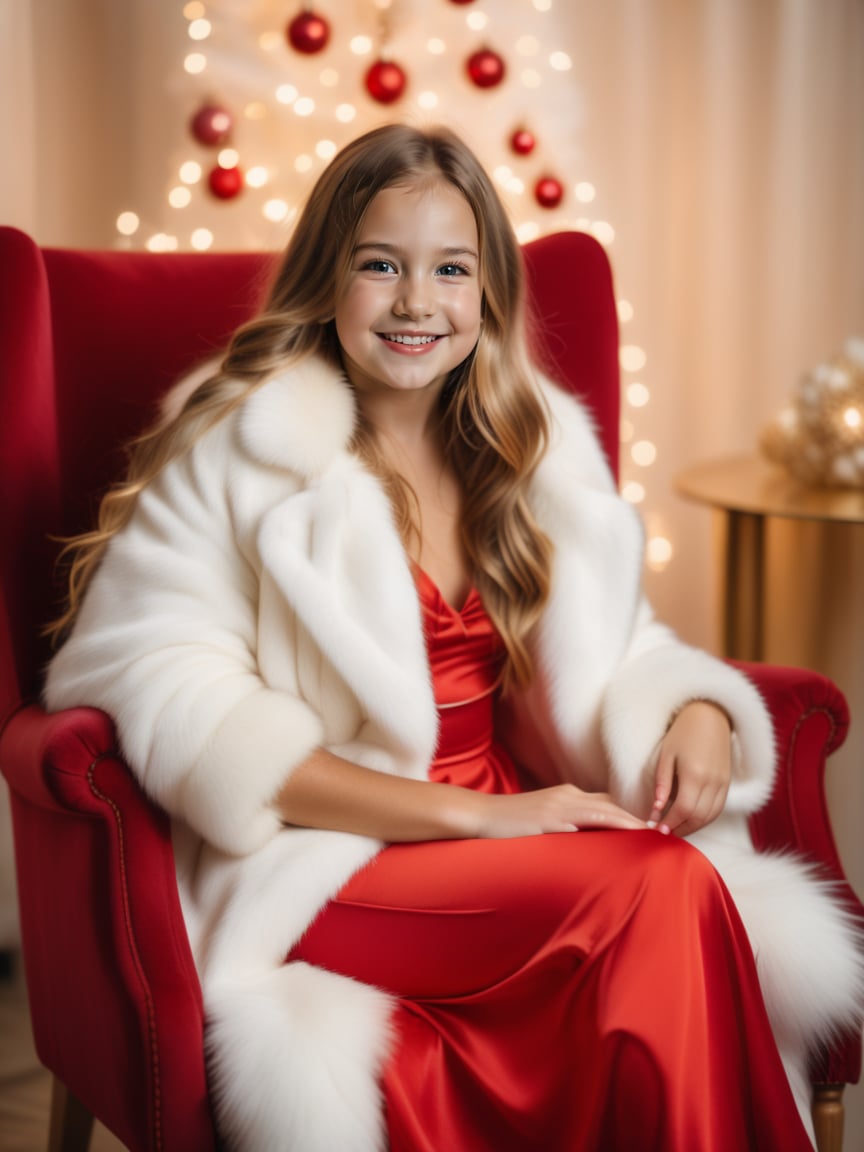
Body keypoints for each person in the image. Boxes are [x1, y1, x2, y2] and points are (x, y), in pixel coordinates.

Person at [43, 124, 861, 1152]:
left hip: (509, 826)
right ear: (326, 278)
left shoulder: (533, 447)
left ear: (489, 294)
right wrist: (467, 821)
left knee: (669, 898)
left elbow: (620, 648)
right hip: (336, 854)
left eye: (451, 271)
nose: (417, 303)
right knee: (660, 889)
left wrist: (695, 706)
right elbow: (157, 680)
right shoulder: (244, 446)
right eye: (379, 265)